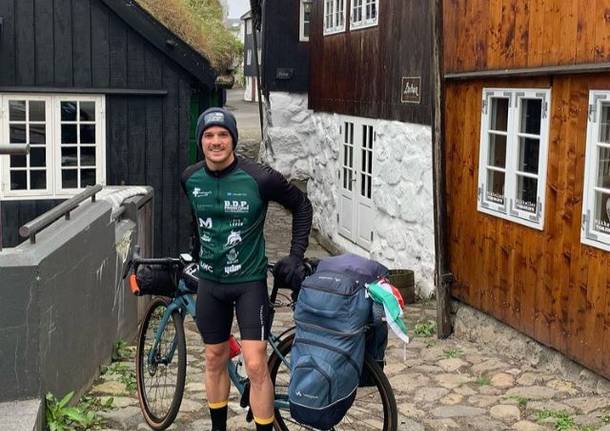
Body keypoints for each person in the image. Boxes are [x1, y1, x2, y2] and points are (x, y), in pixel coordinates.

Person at [181, 107, 313, 431]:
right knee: (214, 358)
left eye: (223, 134)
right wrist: (195, 252)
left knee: (255, 364)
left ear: (233, 139)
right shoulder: (190, 178)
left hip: (249, 282)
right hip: (211, 284)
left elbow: (302, 205)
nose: (216, 141)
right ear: (201, 141)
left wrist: (295, 256)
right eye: (209, 135)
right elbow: (197, 219)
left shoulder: (259, 177)